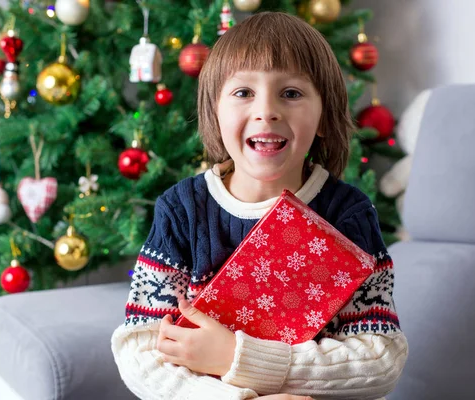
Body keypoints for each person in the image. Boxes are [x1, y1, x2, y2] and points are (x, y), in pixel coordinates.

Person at [111, 11, 408, 400]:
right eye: (243, 92)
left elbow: (380, 361)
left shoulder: (347, 215)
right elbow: (140, 350)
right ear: (216, 112)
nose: (267, 111)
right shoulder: (183, 210)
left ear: (323, 115)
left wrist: (240, 357)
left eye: (291, 93)